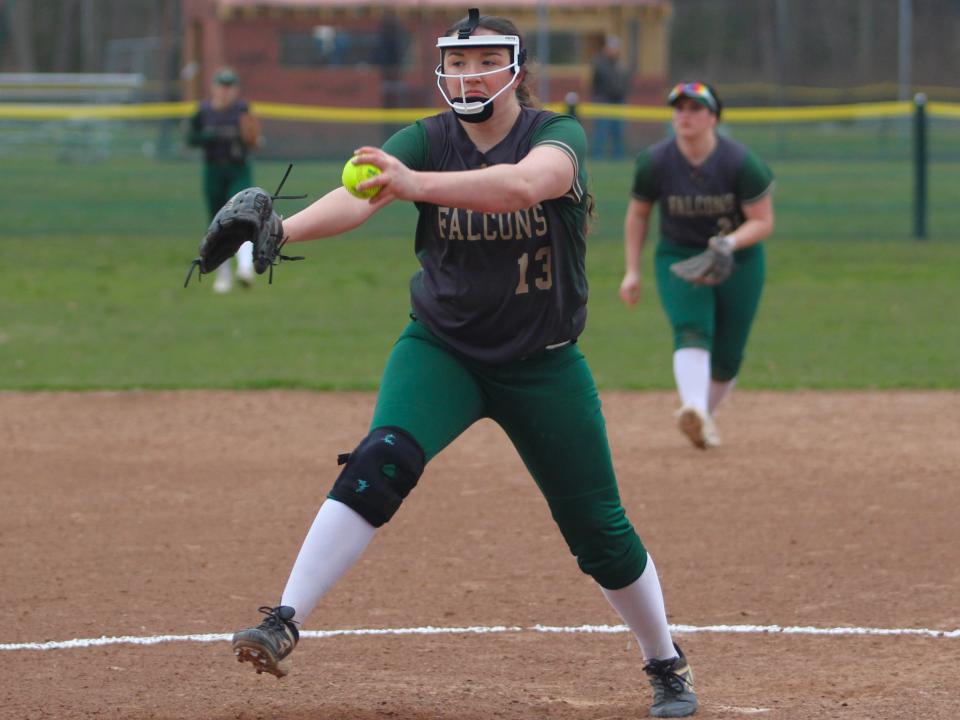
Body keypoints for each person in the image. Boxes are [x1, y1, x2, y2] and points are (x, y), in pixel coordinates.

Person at [230, 10, 697, 718]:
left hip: (542, 363)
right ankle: (283, 618)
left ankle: (665, 662)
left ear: (515, 69)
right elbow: (361, 197)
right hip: (443, 348)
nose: (468, 74)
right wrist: (280, 229)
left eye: (484, 61)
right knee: (381, 458)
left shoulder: (555, 135)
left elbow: (519, 186)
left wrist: (414, 183)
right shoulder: (426, 138)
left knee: (598, 530)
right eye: (457, 62)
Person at [619, 82, 775, 449]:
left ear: (713, 117)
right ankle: (693, 407)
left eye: (694, 109)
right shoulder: (655, 162)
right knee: (691, 329)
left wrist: (729, 242)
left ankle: (702, 417)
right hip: (680, 257)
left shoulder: (740, 162)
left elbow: (763, 221)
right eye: (679, 109)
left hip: (740, 260)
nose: (684, 116)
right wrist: (632, 270)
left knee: (728, 356)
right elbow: (638, 216)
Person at [186, 67, 261, 293]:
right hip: (213, 170)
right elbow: (190, 137)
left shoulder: (242, 110)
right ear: (214, 88)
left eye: (230, 87)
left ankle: (246, 268)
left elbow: (253, 140)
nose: (225, 91)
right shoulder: (204, 111)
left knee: (242, 217)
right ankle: (223, 274)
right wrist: (204, 137)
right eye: (222, 86)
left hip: (238, 169)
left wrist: (250, 138)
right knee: (217, 222)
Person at [590, 35, 631, 160]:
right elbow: (596, 83)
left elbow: (626, 81)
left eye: (616, 47)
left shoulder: (620, 65)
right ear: (606, 48)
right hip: (604, 100)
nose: (614, 50)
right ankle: (598, 155)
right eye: (612, 47)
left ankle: (618, 156)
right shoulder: (599, 63)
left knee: (617, 130)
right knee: (601, 130)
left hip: (618, 100)